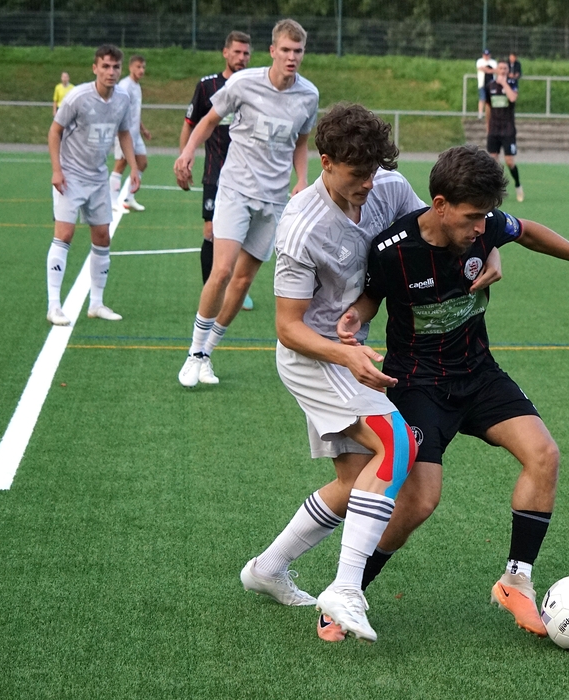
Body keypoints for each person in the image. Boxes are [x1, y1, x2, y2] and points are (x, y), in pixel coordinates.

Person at [323, 145, 569, 642]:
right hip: (419, 383)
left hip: (478, 372)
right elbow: (371, 298)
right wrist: (354, 317)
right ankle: (347, 594)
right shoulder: (392, 250)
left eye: (486, 217)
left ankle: (515, 581)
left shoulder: (484, 228)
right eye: (471, 218)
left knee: (544, 455)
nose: (480, 228)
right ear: (440, 205)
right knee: (420, 502)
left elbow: (526, 231)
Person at [240, 104, 485, 644]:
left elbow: (437, 234)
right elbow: (287, 327)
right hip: (314, 357)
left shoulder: (388, 187)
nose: (369, 184)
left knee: (356, 483)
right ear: (325, 162)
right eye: (357, 174)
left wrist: (487, 254)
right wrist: (346, 355)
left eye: (374, 171)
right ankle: (346, 587)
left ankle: (266, 568)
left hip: (356, 352)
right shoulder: (301, 226)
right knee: (397, 444)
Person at [175, 19, 319, 387]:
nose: (291, 57)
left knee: (242, 282)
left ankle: (207, 353)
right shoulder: (243, 83)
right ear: (272, 51)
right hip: (236, 188)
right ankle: (193, 351)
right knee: (222, 270)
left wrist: (302, 179)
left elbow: (302, 142)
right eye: (285, 50)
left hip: (274, 200)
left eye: (298, 51)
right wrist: (187, 152)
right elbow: (208, 120)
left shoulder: (309, 95)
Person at [45, 44, 140, 326]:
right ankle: (54, 306)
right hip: (70, 176)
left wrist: (134, 167)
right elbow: (54, 131)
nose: (111, 72)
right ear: (95, 68)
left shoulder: (122, 98)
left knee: (102, 237)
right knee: (64, 234)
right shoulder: (77, 96)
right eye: (105, 66)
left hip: (98, 177)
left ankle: (96, 304)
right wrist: (57, 170)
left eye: (115, 67)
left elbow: (124, 132)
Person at [179, 31, 252, 306]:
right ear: (225, 52)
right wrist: (184, 158)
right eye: (237, 52)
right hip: (215, 171)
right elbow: (190, 125)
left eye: (246, 53)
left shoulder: (254, 86)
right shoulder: (207, 86)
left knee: (240, 234)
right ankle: (211, 289)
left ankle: (236, 288)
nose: (241, 57)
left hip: (246, 174)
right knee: (210, 230)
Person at [109, 55, 151, 212]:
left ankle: (129, 197)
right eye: (138, 67)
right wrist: (117, 131)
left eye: (143, 67)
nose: (141, 70)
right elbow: (117, 109)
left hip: (135, 134)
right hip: (124, 133)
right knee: (121, 164)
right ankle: (112, 201)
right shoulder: (124, 85)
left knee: (142, 163)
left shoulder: (136, 86)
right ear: (130, 67)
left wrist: (143, 129)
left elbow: (134, 111)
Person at [486, 62, 524, 201]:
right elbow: (488, 107)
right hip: (494, 129)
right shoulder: (490, 86)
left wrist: (504, 83)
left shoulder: (512, 83)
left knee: (509, 162)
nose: (502, 70)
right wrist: (487, 126)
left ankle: (518, 185)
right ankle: (495, 191)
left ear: (508, 71)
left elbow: (513, 98)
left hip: (508, 130)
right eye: (500, 68)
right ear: (496, 70)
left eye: (505, 68)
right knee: (493, 161)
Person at [476, 49, 497, 119]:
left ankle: (490, 114)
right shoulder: (480, 61)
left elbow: (495, 70)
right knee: (482, 98)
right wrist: (490, 70)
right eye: (485, 55)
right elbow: (480, 68)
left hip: (492, 83)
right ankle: (480, 114)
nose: (486, 56)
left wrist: (486, 69)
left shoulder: (493, 62)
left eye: (487, 55)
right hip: (482, 83)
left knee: (491, 99)